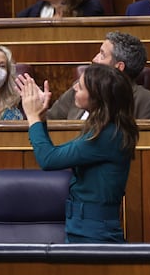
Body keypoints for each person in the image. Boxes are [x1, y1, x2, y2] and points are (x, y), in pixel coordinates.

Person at [16, 64, 139, 243]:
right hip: (81, 227)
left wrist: (33, 117)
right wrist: (40, 117)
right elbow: (53, 156)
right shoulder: (102, 129)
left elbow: (48, 159)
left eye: (80, 87)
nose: (74, 87)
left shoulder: (108, 135)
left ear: (98, 98)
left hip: (95, 234)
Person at [47, 31, 150, 119]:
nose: (94, 59)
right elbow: (50, 121)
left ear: (119, 67)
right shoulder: (79, 89)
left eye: (102, 55)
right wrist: (38, 109)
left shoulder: (145, 102)